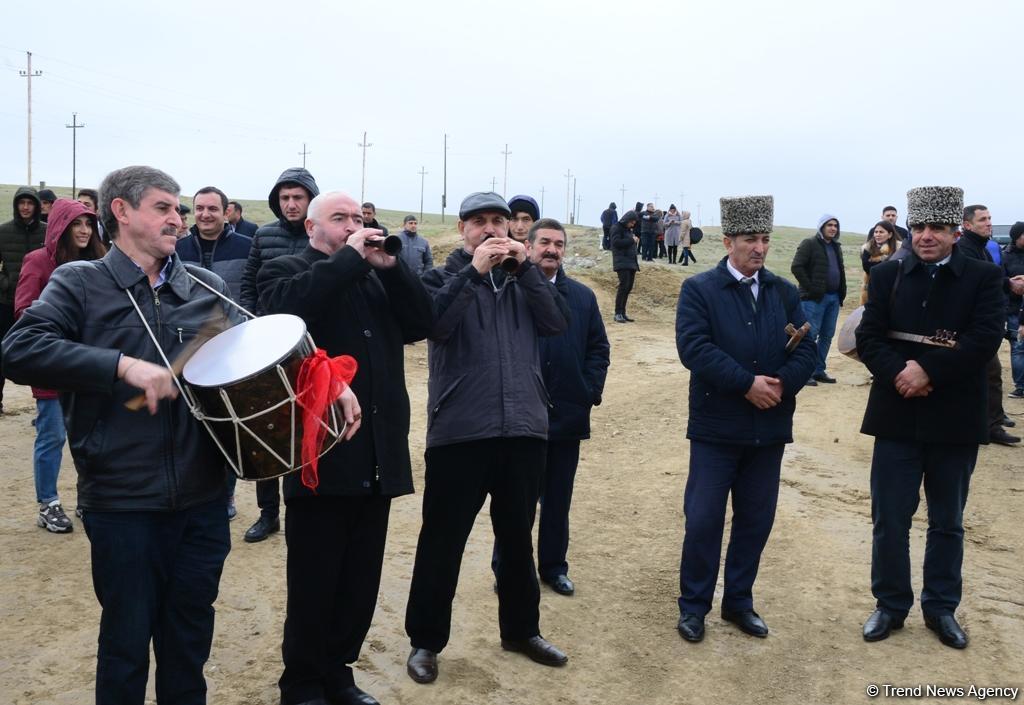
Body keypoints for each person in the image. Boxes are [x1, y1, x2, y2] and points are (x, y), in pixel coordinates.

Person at [1, 165, 255, 704]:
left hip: (204, 500)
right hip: (122, 502)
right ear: (120, 211)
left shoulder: (205, 287)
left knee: (189, 642)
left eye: (178, 209)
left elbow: (257, 355)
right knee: (125, 645)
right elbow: (19, 349)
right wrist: (119, 365)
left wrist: (326, 382)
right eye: (163, 207)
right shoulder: (80, 283)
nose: (178, 219)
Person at [257, 190, 432, 705]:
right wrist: (350, 260)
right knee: (315, 580)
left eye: (359, 217)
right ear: (312, 228)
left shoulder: (376, 277)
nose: (355, 225)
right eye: (340, 218)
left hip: (378, 450)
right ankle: (302, 684)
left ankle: (338, 672)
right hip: (321, 454)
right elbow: (283, 313)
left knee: (360, 580)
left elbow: (424, 323)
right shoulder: (287, 270)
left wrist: (393, 270)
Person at [404, 192, 569, 685]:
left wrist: (526, 270)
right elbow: (434, 324)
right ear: (463, 230)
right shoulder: (439, 278)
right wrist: (474, 273)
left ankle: (522, 631)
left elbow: (556, 322)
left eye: (499, 220)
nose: (491, 228)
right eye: (479, 221)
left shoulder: (525, 279)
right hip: (460, 431)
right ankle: (426, 641)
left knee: (517, 540)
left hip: (523, 430)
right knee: (442, 541)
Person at [856, 186, 1004, 649]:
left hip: (955, 417)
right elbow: (869, 336)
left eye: (936, 228)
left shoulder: (983, 277)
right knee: (890, 517)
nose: (925, 236)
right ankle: (890, 604)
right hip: (897, 413)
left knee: (947, 520)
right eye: (918, 227)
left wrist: (929, 371)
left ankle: (941, 608)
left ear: (955, 232)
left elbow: (984, 338)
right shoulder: (888, 275)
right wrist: (901, 372)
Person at [674, 195, 816, 643]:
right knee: (703, 520)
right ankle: (694, 606)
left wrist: (781, 385)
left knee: (755, 520)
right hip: (716, 429)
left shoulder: (783, 292)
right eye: (750, 239)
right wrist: (746, 384)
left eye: (765, 239)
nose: (759, 248)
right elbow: (694, 348)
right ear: (727, 241)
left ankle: (738, 602)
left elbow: (808, 348)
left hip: (768, 429)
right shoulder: (700, 290)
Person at [493, 218, 610, 595]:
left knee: (558, 501)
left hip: (566, 416)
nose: (552, 250)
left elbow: (598, 349)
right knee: (517, 503)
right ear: (527, 246)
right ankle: (507, 568)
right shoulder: (509, 290)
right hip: (518, 418)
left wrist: (588, 390)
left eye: (559, 244)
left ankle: (554, 567)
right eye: (544, 242)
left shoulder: (583, 297)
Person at [14, 198, 106, 533]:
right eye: (76, 224)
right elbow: (24, 310)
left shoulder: (99, 262)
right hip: (54, 364)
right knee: (52, 435)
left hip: (89, 364)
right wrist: (64, 330)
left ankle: (88, 498)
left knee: (90, 436)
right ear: (60, 227)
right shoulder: (38, 261)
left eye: (88, 224)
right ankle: (48, 503)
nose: (84, 231)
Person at [239, 166, 321, 542]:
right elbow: (249, 281)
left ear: (310, 200)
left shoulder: (320, 236)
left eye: (297, 197)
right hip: (267, 345)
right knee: (266, 428)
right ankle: (268, 513)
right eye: (284, 198)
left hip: (310, 344)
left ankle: (304, 505)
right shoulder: (264, 235)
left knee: (309, 425)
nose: (291, 204)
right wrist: (250, 321)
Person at [175, 186, 253, 520]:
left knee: (227, 423)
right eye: (200, 208)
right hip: (186, 346)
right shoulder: (177, 248)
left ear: (226, 212)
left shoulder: (247, 247)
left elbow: (251, 290)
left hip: (231, 346)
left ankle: (226, 492)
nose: (205, 214)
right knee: (189, 421)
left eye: (213, 209)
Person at [957, 204, 1022, 445]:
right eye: (983, 219)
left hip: (982, 322)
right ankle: (989, 426)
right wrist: (1008, 283)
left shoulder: (981, 247)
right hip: (970, 326)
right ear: (967, 225)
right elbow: (978, 279)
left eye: (989, 218)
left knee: (987, 375)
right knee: (989, 373)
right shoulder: (965, 249)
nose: (989, 223)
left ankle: (990, 420)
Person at [0, 186, 46, 414]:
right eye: (21, 203)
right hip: (7, 302)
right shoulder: (3, 231)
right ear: (16, 205)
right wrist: (6, 282)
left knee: (41, 352)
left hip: (40, 304)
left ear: (36, 206)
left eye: (30, 203)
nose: (25, 207)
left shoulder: (47, 232)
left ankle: (43, 407)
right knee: (2, 351)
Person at [791, 214, 846, 385]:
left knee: (827, 335)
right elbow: (796, 267)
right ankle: (804, 372)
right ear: (821, 226)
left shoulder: (836, 246)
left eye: (835, 225)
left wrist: (841, 292)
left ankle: (818, 370)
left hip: (833, 297)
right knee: (810, 335)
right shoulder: (809, 243)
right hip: (813, 299)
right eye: (829, 225)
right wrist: (811, 288)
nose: (833, 228)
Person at [1003, 222, 1024, 399]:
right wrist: (1012, 285)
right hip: (1014, 309)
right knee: (1018, 347)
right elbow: (1000, 281)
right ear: (1016, 237)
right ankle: (1021, 386)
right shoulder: (1005, 256)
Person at [860, 220, 901, 305]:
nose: (877, 234)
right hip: (872, 288)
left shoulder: (899, 248)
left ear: (890, 234)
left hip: (894, 288)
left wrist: (878, 263)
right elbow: (867, 267)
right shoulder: (867, 248)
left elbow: (898, 268)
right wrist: (884, 260)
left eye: (881, 232)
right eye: (876, 232)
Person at [611, 210, 639, 323]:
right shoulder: (616, 228)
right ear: (627, 219)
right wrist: (631, 240)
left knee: (628, 287)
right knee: (623, 287)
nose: (632, 225)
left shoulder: (628, 230)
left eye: (634, 223)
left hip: (631, 262)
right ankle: (618, 313)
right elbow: (616, 243)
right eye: (631, 222)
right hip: (622, 261)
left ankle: (623, 312)